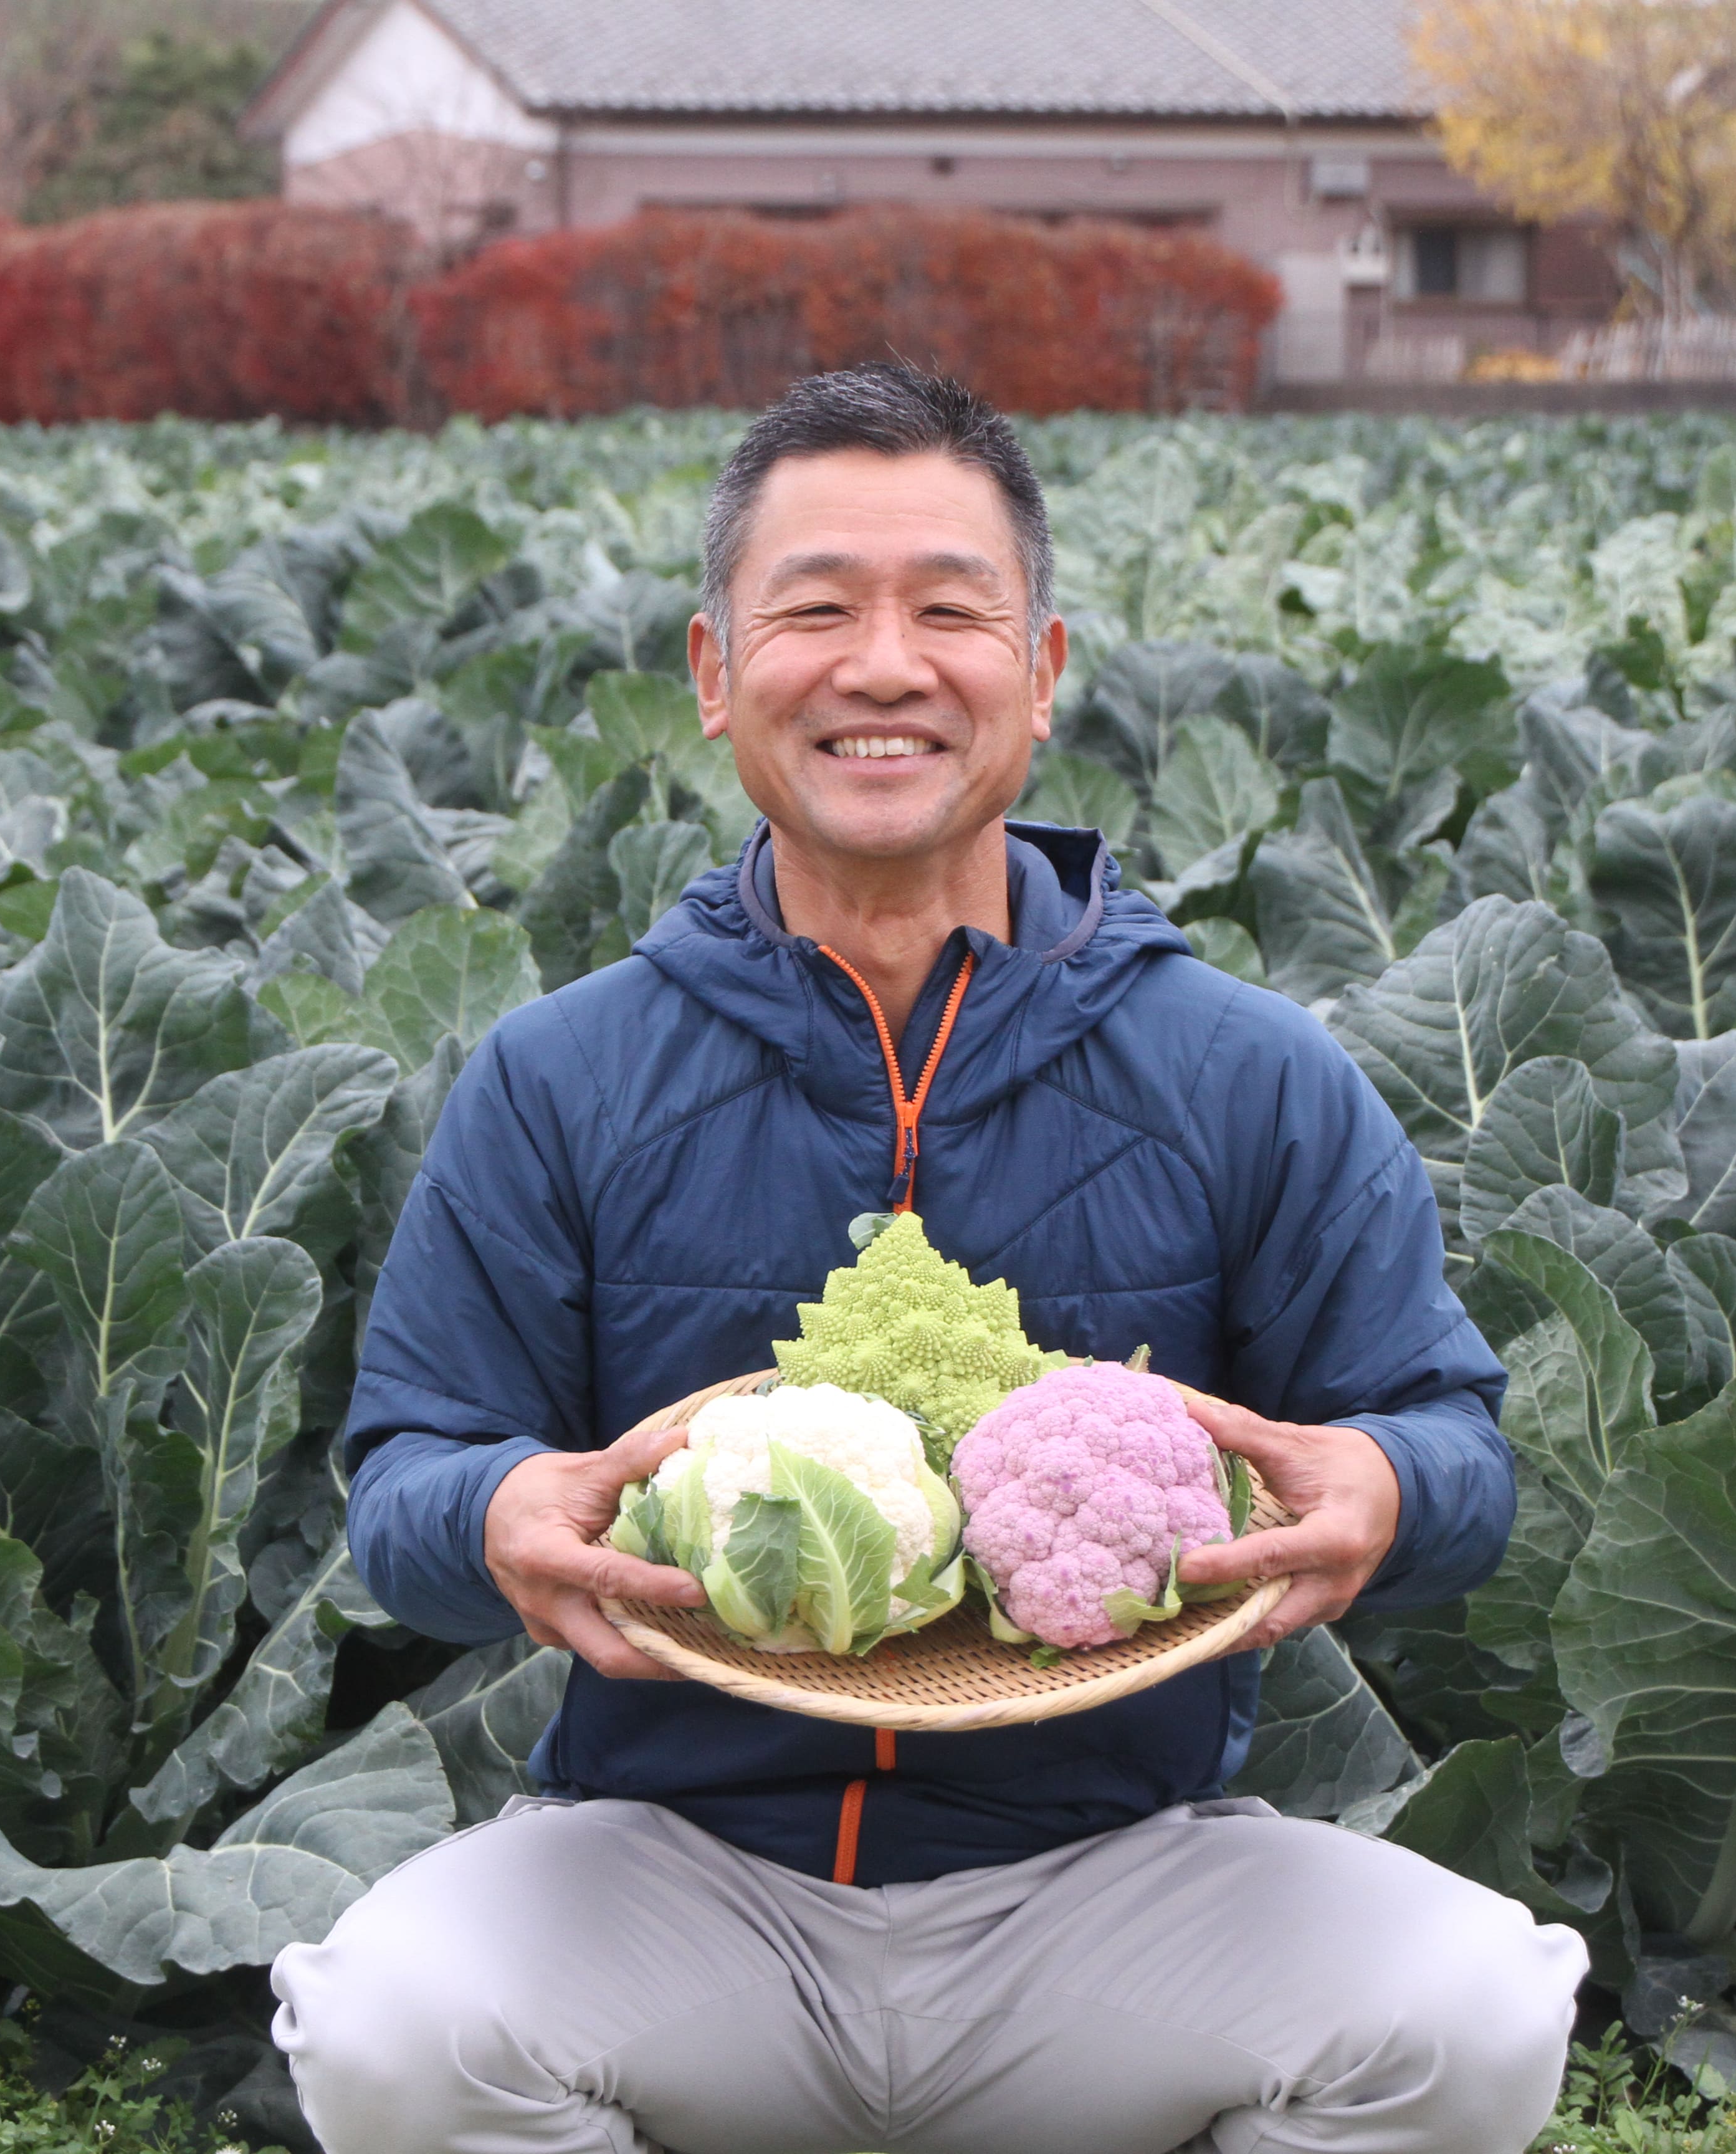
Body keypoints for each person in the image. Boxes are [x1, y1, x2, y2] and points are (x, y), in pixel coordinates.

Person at [270, 364, 1587, 2154]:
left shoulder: (1244, 1070)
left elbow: (1453, 1445)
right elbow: (405, 1475)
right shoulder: (560, 1078)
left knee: (1480, 2014)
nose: (883, 665)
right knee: (388, 2032)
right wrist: (500, 1512)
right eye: (815, 610)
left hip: (1111, 1877)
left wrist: (1384, 1483)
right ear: (717, 673)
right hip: (680, 1868)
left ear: (1039, 675)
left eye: (949, 611)